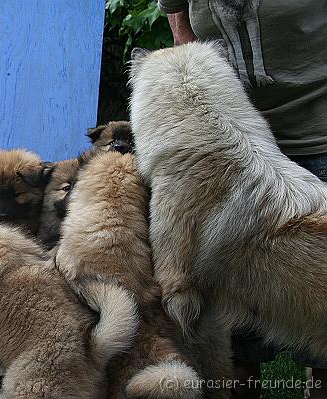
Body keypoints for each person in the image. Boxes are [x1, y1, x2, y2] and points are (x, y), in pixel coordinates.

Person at [157, 1, 327, 398]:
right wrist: (182, 31)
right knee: (235, 325)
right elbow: (175, 9)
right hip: (227, 133)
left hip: (318, 128)